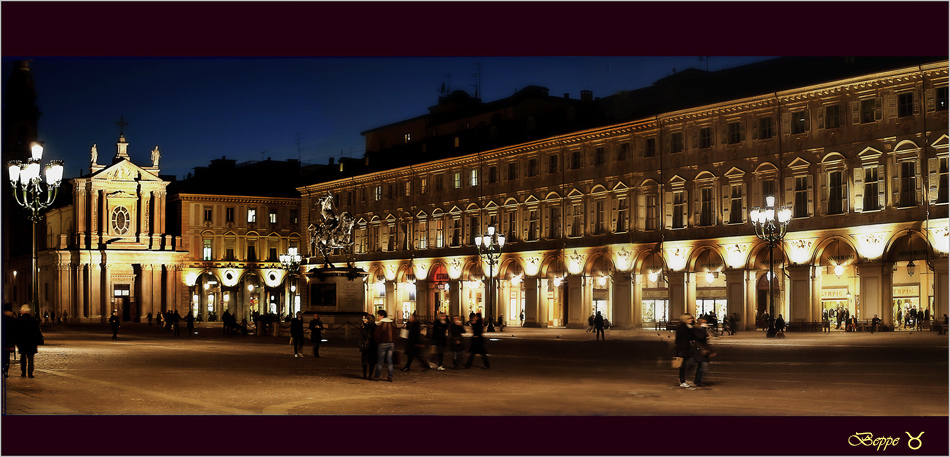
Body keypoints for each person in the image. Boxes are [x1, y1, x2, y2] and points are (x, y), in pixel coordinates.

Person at [14, 305, 43, 378]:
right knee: (31, 358)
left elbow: (16, 332)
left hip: (22, 342)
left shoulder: (19, 320)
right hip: (31, 342)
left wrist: (16, 341)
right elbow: (37, 331)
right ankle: (30, 373)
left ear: (23, 311)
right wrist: (39, 340)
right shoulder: (33, 320)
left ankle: (23, 372)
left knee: (23, 357)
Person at [687, 317, 716, 387]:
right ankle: (690, 378)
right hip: (698, 350)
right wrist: (703, 328)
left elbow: (705, 340)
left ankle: (698, 380)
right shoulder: (696, 329)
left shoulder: (701, 329)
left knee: (702, 365)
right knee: (700, 365)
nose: (705, 324)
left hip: (702, 350)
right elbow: (700, 337)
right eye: (703, 322)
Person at [372, 309, 396, 382]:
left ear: (382, 316)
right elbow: (395, 334)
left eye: (379, 316)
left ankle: (377, 376)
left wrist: (377, 341)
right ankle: (390, 376)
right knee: (389, 361)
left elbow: (377, 334)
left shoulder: (381, 324)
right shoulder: (392, 324)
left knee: (380, 361)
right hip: (391, 343)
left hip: (383, 343)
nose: (378, 317)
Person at [674, 314, 695, 388]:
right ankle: (682, 380)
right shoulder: (681, 327)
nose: (691, 319)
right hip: (683, 348)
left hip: (688, 348)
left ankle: (684, 378)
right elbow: (678, 339)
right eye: (689, 318)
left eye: (692, 318)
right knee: (683, 365)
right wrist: (678, 350)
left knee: (691, 362)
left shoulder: (690, 326)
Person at [358, 313, 377, 379]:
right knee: (364, 361)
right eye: (363, 318)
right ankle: (365, 374)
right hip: (366, 346)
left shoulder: (373, 327)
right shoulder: (363, 327)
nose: (363, 320)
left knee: (371, 362)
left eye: (365, 318)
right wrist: (360, 345)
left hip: (372, 346)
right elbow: (360, 337)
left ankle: (370, 374)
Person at [3, 303, 16, 378]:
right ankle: (5, 371)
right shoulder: (12, 319)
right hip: (8, 341)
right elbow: (15, 331)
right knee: (7, 357)